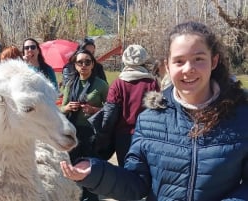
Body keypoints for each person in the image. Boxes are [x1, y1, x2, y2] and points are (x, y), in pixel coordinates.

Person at [60, 21, 248, 201]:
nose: (188, 69)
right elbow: (137, 183)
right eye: (179, 61)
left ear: (214, 61)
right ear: (167, 66)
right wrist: (95, 172)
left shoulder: (241, 116)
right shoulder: (150, 119)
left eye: (198, 59)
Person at [89, 44, 160, 167]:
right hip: (146, 135)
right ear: (143, 60)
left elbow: (109, 114)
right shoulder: (152, 83)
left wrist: (104, 136)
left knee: (126, 173)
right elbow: (158, 112)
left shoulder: (118, 84)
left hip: (124, 137)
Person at [60, 49, 108, 201]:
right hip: (72, 132)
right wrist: (67, 107)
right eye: (80, 62)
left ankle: (91, 197)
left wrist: (94, 109)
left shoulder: (101, 85)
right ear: (75, 65)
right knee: (71, 167)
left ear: (93, 64)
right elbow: (61, 109)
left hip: (91, 133)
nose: (84, 65)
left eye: (87, 62)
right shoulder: (70, 84)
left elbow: (110, 110)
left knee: (89, 168)